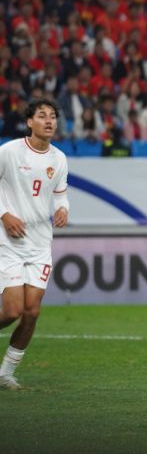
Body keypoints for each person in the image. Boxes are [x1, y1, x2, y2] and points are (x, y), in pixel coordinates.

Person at [0, 99, 70, 389]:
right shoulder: (9, 152)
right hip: (10, 242)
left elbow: (60, 194)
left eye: (52, 116)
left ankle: (5, 373)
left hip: (41, 244)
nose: (49, 121)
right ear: (29, 122)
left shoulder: (59, 158)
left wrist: (64, 208)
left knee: (32, 312)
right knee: (12, 310)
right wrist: (3, 215)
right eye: (42, 116)